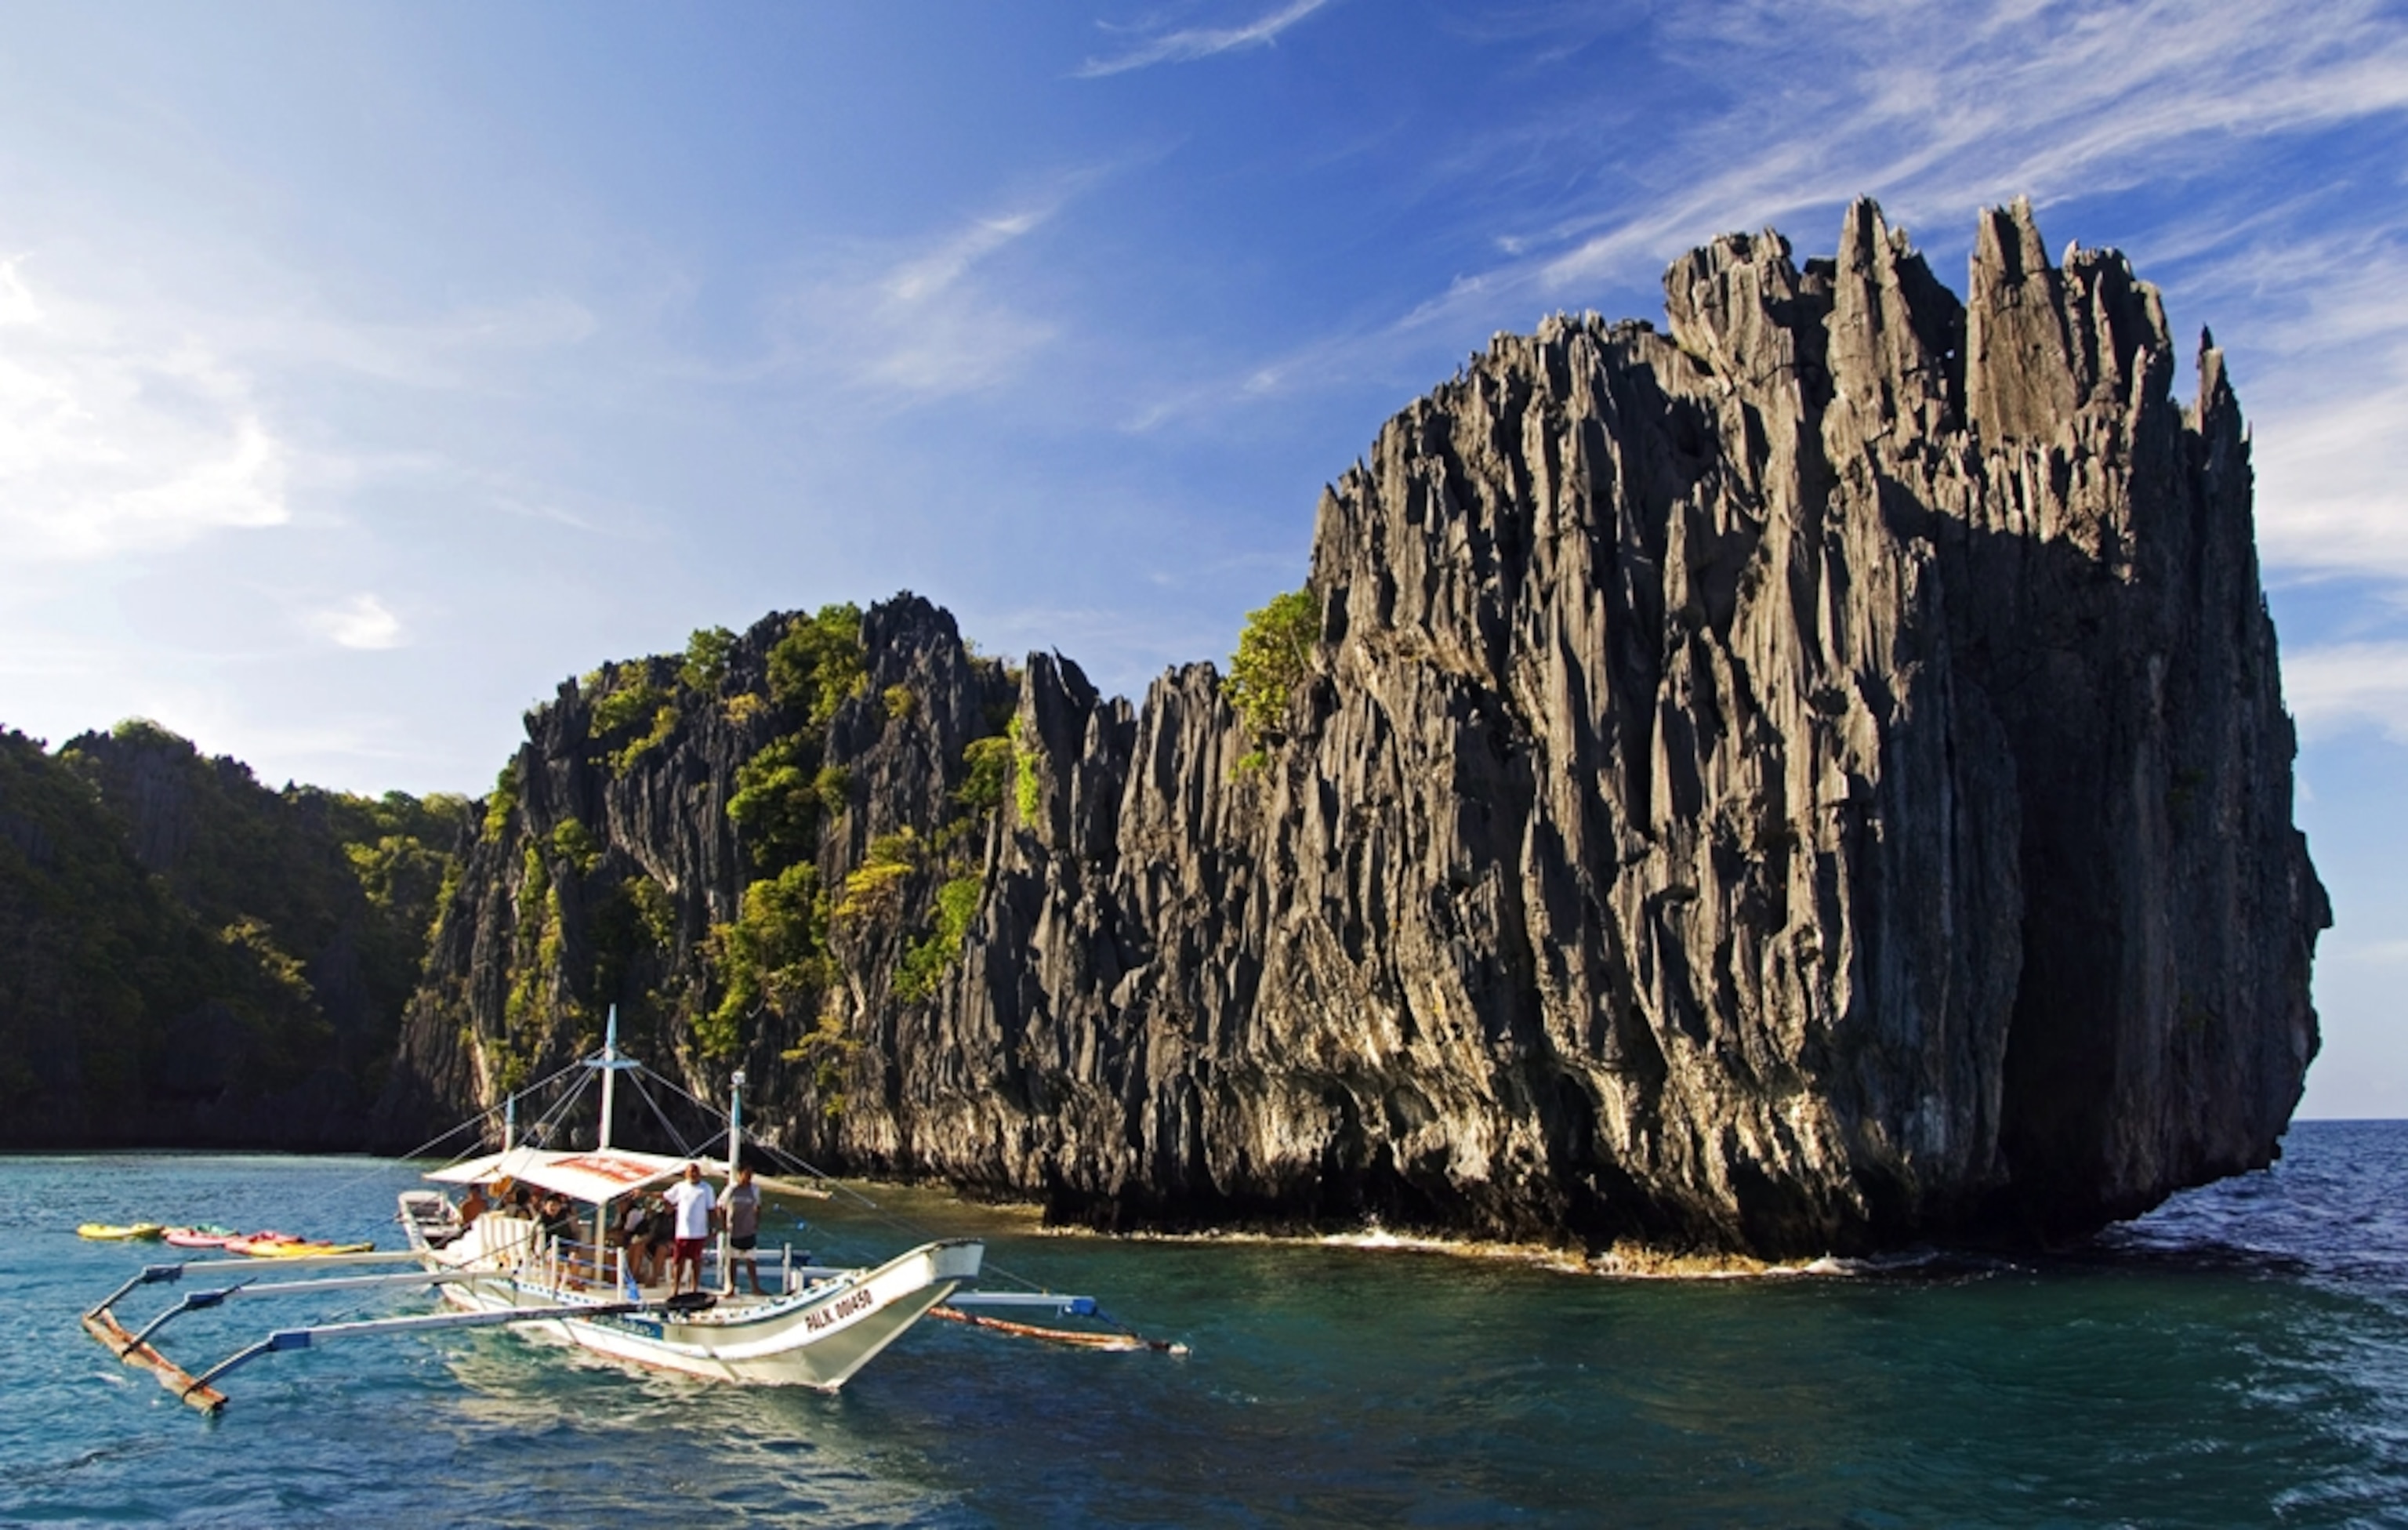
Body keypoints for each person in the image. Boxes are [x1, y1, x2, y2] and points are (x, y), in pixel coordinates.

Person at [662, 1162, 717, 1296]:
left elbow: (711, 1210)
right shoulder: (680, 1187)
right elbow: (666, 1196)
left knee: (696, 1261)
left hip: (699, 1232)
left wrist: (713, 1228)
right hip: (683, 1232)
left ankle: (694, 1289)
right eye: (691, 1172)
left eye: (696, 1172)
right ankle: (675, 1289)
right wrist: (644, 1194)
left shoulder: (706, 1188)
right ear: (686, 1174)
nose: (693, 1174)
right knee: (678, 1261)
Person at [721, 1166, 763, 1295]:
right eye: (746, 1174)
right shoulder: (731, 1189)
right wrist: (723, 1224)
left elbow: (758, 1206)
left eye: (751, 1175)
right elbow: (721, 1206)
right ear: (740, 1174)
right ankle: (731, 1287)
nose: (748, 1178)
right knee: (733, 1260)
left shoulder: (755, 1189)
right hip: (734, 1230)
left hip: (749, 1229)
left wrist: (756, 1222)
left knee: (751, 1260)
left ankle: (755, 1287)